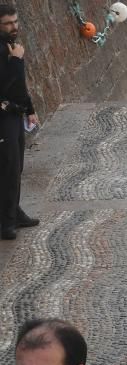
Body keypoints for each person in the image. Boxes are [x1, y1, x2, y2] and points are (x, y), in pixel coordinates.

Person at [0, 5, 39, 241]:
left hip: (15, 114)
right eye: (8, 23)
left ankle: (14, 211)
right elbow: (4, 85)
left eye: (15, 22)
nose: (14, 27)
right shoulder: (7, 51)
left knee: (17, 167)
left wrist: (30, 109)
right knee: (8, 169)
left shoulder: (12, 46)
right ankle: (6, 223)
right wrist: (15, 60)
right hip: (3, 117)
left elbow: (19, 84)